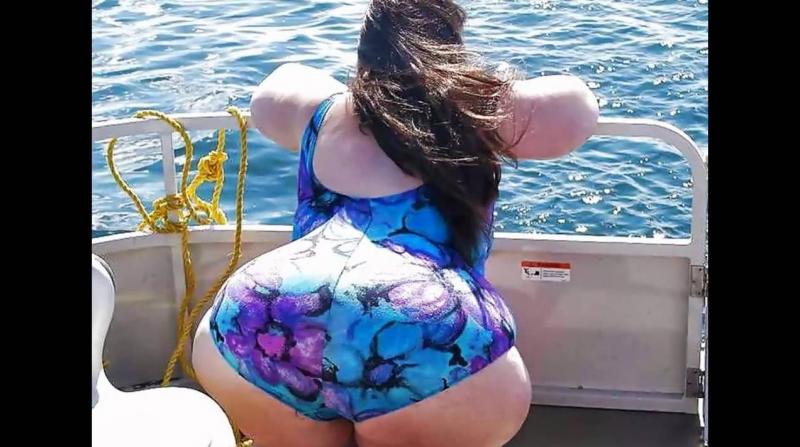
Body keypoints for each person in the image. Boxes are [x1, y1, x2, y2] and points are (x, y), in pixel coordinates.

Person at [192, 1, 599, 446]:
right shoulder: (474, 115)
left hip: (263, 314)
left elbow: (274, 89)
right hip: (424, 332)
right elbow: (578, 107)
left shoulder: (324, 115)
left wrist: (360, 97)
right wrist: (468, 91)